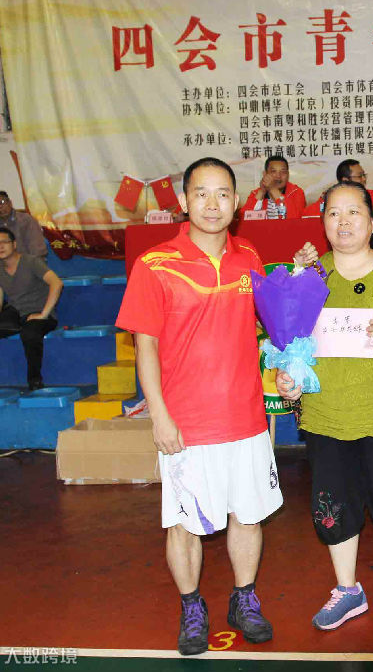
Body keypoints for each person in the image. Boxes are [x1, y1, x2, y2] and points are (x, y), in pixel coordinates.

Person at [115, 157, 283, 656]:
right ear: (184, 201)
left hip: (245, 417)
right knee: (184, 523)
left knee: (248, 515)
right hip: (186, 423)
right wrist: (159, 415)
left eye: (223, 194)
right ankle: (191, 606)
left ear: (237, 202)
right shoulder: (154, 264)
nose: (213, 204)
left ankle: (245, 599)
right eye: (202, 193)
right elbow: (145, 347)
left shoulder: (249, 257)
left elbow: (270, 326)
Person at [277, 181, 373, 633]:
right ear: (322, 222)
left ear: (371, 221)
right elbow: (292, 344)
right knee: (333, 502)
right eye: (333, 213)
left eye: (353, 213)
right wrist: (289, 378)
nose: (342, 222)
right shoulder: (310, 277)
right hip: (325, 413)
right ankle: (347, 590)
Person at [0, 228, 63, 394]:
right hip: (16, 315)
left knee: (30, 332)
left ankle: (35, 381)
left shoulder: (31, 262)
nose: (0, 246)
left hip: (40, 314)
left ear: (14, 244)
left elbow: (57, 283)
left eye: (4, 242)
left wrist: (44, 314)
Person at [0, 191, 47, 305]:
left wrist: (27, 270)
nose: (0, 207)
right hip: (5, 272)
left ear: (10, 202)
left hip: (27, 268)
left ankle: (20, 311)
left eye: (2, 202)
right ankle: (4, 312)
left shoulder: (26, 221)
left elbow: (37, 251)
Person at [302, 159, 373, 217]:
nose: (364, 179)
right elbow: (308, 215)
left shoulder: (370, 194)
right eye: (360, 176)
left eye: (364, 175)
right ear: (345, 180)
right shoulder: (331, 196)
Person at [241, 155, 307, 219]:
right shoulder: (255, 193)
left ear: (288, 175)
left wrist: (272, 189)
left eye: (283, 172)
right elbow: (243, 219)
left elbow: (295, 219)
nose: (278, 176)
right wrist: (261, 192)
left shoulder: (296, 192)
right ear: (265, 174)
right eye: (273, 171)